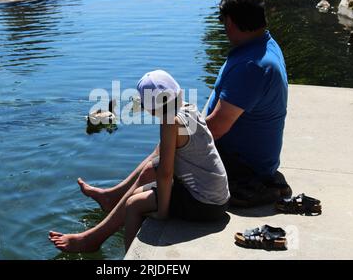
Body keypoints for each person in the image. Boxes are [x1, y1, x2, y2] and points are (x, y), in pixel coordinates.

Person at [49, 70, 230, 253]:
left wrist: (162, 212)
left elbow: (166, 173)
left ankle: (126, 257)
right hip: (218, 195)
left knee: (133, 205)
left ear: (151, 108)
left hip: (205, 203)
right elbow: (162, 157)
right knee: (139, 188)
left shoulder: (170, 122)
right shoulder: (189, 108)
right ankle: (108, 203)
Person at [205, 0, 291, 207]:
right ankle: (115, 196)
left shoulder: (252, 65)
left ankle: (114, 204)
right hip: (253, 160)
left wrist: (179, 135)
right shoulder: (264, 45)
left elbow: (215, 128)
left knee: (162, 157)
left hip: (243, 166)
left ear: (230, 22)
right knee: (168, 145)